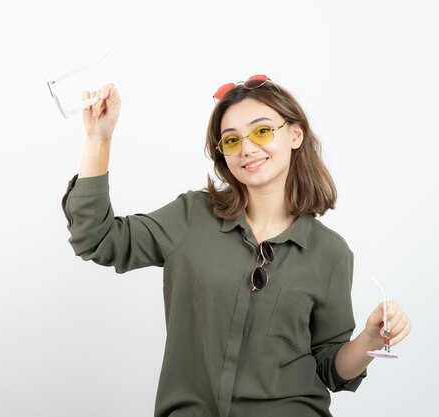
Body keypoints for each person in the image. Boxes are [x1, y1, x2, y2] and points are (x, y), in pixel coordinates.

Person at [61, 76, 411, 417]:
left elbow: (330, 367)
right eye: (231, 140)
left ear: (295, 134)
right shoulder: (191, 216)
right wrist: (99, 138)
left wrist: (368, 340)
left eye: (261, 131)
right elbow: (97, 238)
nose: (246, 148)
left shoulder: (330, 252)